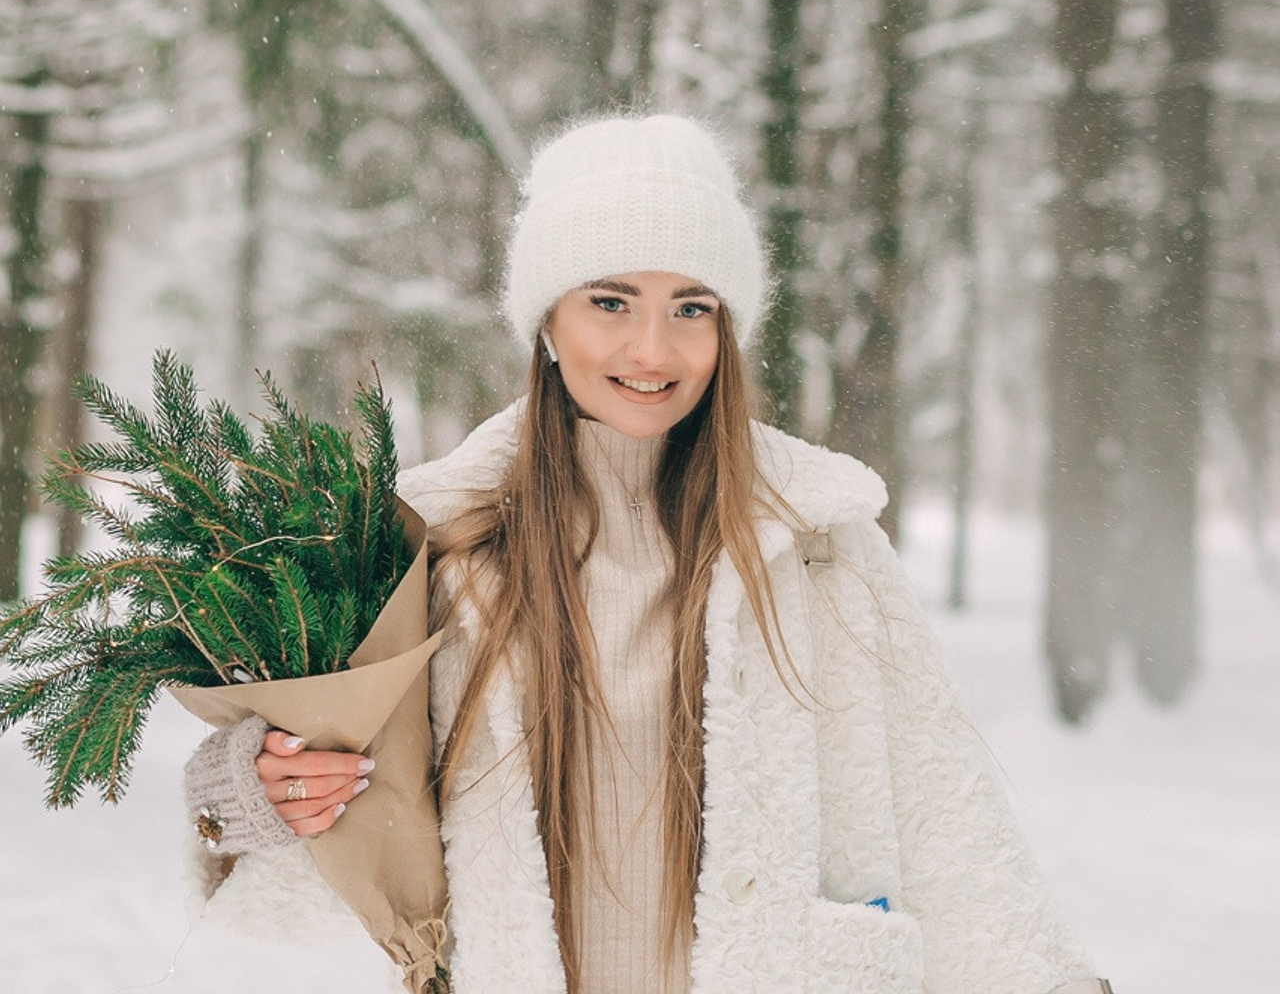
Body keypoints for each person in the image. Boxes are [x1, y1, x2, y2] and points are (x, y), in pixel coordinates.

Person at [183, 116, 1114, 993]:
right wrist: (249, 790)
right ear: (548, 321)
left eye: (691, 307)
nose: (652, 347)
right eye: (610, 301)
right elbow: (328, 868)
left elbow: (946, 819)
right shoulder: (432, 544)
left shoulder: (819, 539)